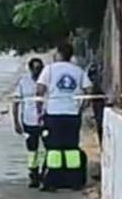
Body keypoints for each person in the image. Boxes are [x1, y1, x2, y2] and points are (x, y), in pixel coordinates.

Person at [36, 42, 92, 191]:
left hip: (54, 114)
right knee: (71, 147)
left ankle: (52, 181)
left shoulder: (49, 69)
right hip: (72, 115)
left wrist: (39, 109)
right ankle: (74, 181)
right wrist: (82, 107)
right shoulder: (78, 71)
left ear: (59, 54)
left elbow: (40, 90)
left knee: (54, 148)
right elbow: (89, 90)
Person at [13, 58, 46, 188]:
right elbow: (16, 102)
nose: (38, 71)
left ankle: (46, 173)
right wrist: (16, 122)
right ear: (30, 69)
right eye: (35, 68)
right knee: (32, 150)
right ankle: (34, 174)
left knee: (49, 149)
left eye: (40, 68)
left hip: (46, 120)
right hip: (29, 121)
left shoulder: (47, 81)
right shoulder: (24, 82)